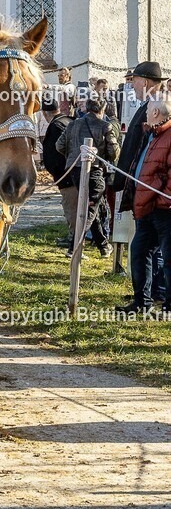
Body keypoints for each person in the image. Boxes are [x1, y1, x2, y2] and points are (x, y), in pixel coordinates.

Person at [112, 61, 166, 310]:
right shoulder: (147, 106)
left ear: (144, 81)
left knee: (157, 250)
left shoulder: (160, 107)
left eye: (133, 80)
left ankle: (158, 295)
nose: (131, 85)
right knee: (145, 247)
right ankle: (146, 297)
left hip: (157, 195)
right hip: (144, 190)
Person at [56, 94, 119, 257]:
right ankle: (74, 246)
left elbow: (59, 145)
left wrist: (72, 156)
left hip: (73, 170)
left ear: (87, 108)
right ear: (103, 109)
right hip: (94, 170)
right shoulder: (105, 126)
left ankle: (103, 246)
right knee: (91, 209)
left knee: (92, 208)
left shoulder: (73, 124)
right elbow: (113, 152)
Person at [126, 94, 171, 317]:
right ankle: (141, 302)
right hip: (147, 207)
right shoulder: (151, 134)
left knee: (169, 258)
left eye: (148, 110)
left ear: (156, 113)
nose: (145, 113)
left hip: (164, 210)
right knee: (139, 251)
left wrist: (162, 200)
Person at [40, 94, 73, 246]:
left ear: (44, 113)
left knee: (70, 207)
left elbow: (56, 155)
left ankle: (74, 239)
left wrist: (58, 174)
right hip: (72, 173)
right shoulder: (68, 121)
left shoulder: (55, 126)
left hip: (66, 176)